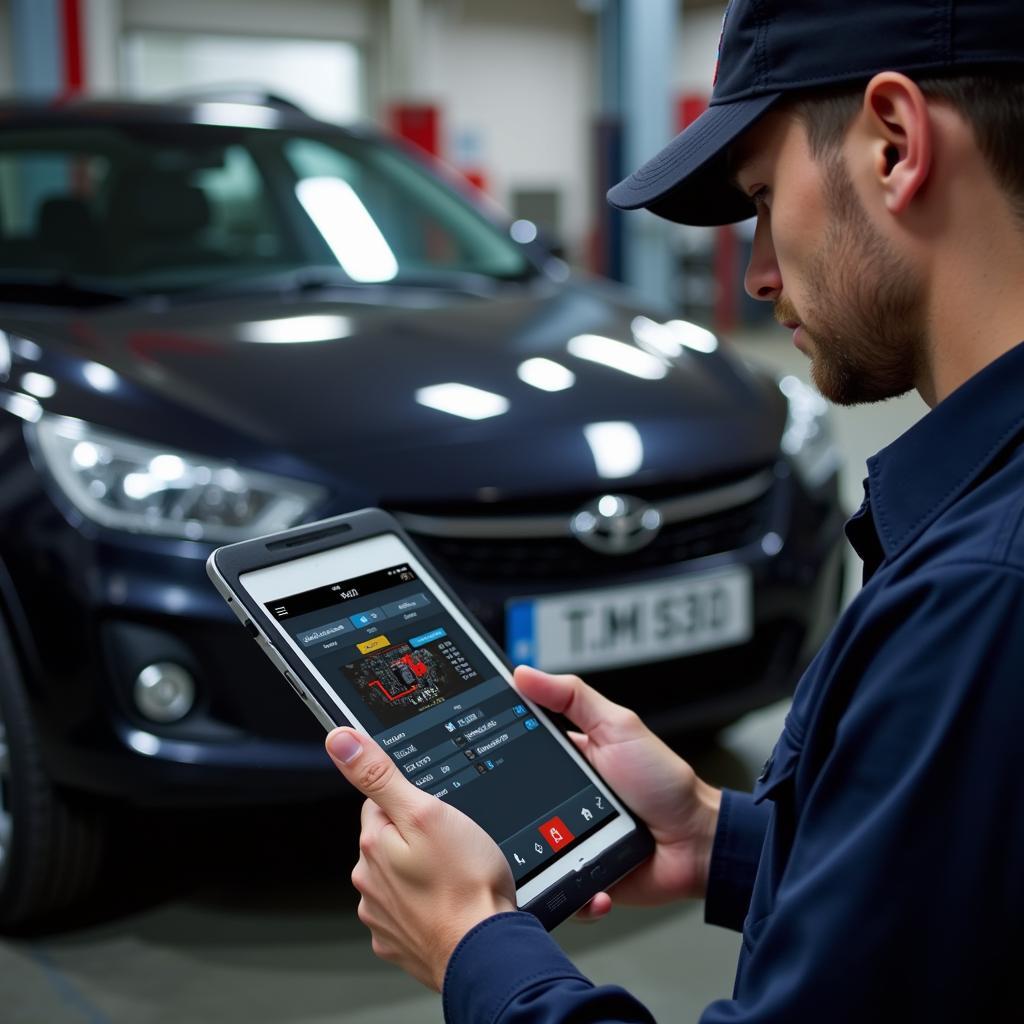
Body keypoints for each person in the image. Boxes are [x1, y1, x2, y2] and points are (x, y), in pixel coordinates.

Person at [322, 0, 1024, 1018]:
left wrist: (475, 945)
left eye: (760, 197)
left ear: (894, 144)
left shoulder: (979, 595)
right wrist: (719, 837)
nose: (757, 273)